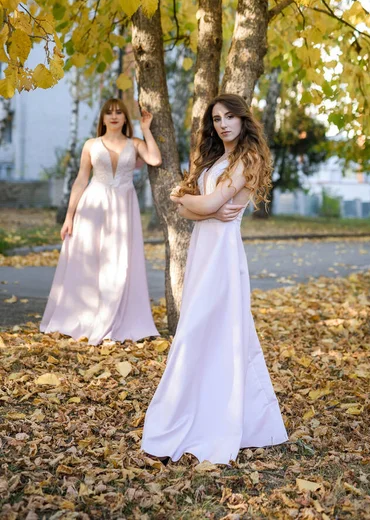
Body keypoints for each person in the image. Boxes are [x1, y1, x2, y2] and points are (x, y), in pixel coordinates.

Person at [141, 93, 288, 465]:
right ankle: (207, 412)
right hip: (203, 253)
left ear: (243, 120)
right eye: (217, 118)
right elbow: (196, 209)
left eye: (229, 117)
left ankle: (216, 420)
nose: (222, 124)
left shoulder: (247, 158)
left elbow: (201, 205)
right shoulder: (216, 159)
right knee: (205, 332)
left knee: (207, 332)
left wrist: (187, 200)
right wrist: (191, 202)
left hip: (222, 256)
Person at [40, 98, 161, 346]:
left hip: (123, 209)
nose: (114, 116)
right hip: (93, 207)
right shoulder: (91, 145)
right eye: (109, 112)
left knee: (120, 263)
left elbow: (155, 160)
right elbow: (81, 180)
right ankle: (85, 316)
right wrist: (69, 216)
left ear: (125, 118)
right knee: (90, 261)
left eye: (119, 112)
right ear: (102, 118)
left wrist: (146, 129)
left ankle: (117, 317)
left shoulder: (134, 143)